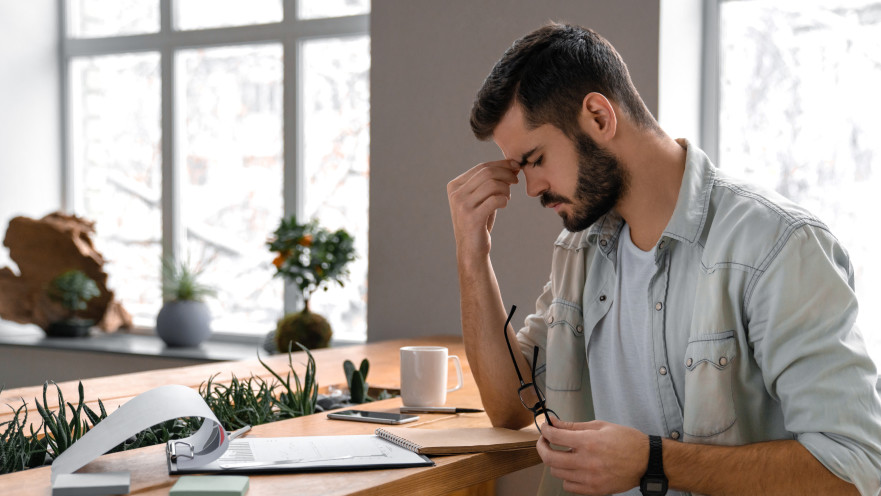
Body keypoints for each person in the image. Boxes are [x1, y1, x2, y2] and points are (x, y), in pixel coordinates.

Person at [446, 22, 881, 496]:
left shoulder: (777, 245)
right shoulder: (580, 251)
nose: (530, 188)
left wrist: (654, 462)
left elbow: (855, 466)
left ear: (597, 116)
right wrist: (472, 255)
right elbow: (512, 406)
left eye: (534, 159)